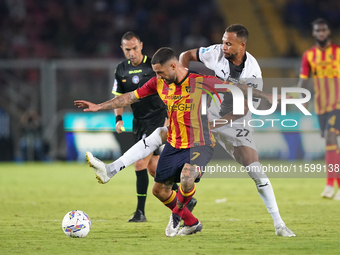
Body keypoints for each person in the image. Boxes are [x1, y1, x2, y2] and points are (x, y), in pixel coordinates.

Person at [75, 47, 276, 236]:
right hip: (174, 143)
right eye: (156, 73)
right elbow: (129, 97)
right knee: (159, 191)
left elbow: (237, 87)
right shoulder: (158, 83)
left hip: (201, 143)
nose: (158, 77)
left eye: (160, 72)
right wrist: (99, 106)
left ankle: (176, 216)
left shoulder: (201, 82)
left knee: (188, 178)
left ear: (173, 66)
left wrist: (265, 95)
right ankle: (192, 223)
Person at [107, 31, 168, 222]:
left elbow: (168, 91)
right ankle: (183, 195)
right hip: (139, 121)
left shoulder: (153, 66)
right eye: (127, 49)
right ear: (122, 49)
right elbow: (119, 99)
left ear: (141, 45)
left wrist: (168, 118)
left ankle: (140, 213)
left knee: (139, 163)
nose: (132, 52)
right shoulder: (121, 69)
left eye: (135, 48)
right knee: (153, 168)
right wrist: (118, 119)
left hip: (157, 119)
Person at [298, 18, 340, 200]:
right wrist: (302, 96)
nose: (321, 33)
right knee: (331, 144)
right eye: (318, 31)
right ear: (314, 33)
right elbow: (303, 78)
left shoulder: (338, 52)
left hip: (338, 104)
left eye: (324, 30)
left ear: (328, 32)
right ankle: (335, 184)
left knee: (331, 137)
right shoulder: (309, 55)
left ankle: (330, 185)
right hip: (321, 105)